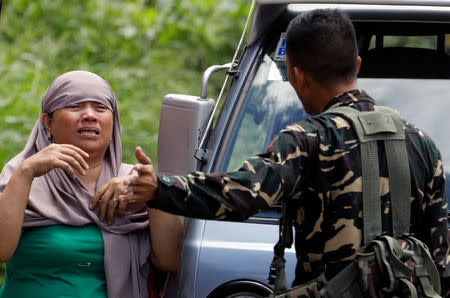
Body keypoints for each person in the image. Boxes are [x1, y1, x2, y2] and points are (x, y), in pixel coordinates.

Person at [93, 9, 449, 296]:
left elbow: (240, 194)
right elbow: (440, 258)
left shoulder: (307, 138)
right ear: (356, 65)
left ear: (296, 74)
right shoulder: (422, 143)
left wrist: (159, 187)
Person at [0, 70, 184, 298]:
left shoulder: (135, 182)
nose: (89, 115)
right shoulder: (20, 174)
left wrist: (155, 191)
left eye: (100, 108)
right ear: (47, 122)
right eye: (75, 106)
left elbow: (172, 260)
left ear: (113, 121)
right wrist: (26, 173)